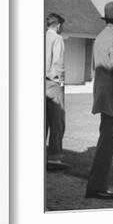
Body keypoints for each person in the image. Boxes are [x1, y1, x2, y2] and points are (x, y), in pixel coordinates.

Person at [85, 2, 113, 200]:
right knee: (106, 144)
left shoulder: (102, 36)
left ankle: (96, 185)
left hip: (105, 95)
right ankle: (97, 187)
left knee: (105, 141)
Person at [45, 13, 70, 170]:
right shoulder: (57, 39)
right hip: (53, 82)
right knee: (57, 121)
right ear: (59, 25)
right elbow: (58, 63)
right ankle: (54, 159)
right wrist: (60, 81)